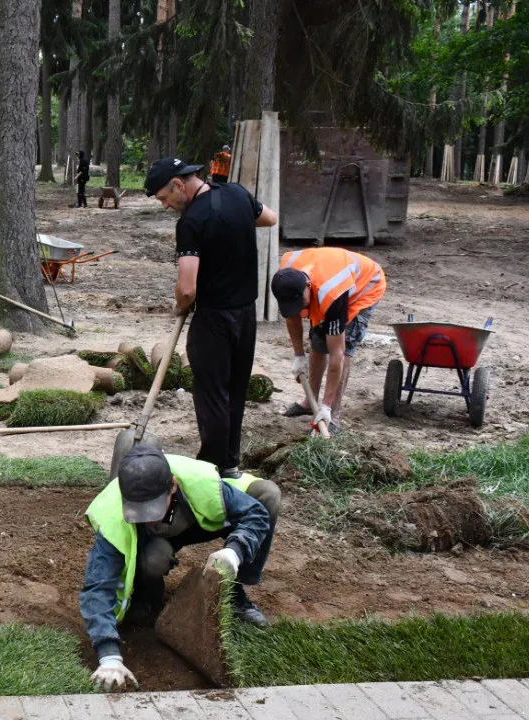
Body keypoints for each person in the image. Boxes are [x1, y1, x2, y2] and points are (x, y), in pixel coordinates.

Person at [81, 447, 279, 691]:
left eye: (152, 509)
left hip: (195, 518)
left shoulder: (201, 484)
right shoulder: (114, 513)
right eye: (138, 512)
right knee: (154, 559)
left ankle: (235, 594)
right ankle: (147, 595)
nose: (147, 518)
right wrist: (108, 655)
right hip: (153, 543)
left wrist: (235, 552)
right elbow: (97, 587)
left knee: (268, 494)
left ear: (172, 486)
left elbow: (255, 513)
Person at [146, 157, 278, 478]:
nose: (165, 206)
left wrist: (180, 305)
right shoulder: (236, 194)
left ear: (179, 184)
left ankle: (210, 467)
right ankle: (230, 464)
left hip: (214, 319)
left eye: (164, 198)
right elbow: (270, 218)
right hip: (246, 315)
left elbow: (188, 289)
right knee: (235, 391)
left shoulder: (191, 222)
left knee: (212, 396)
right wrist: (235, 226)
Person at [271, 248, 387, 435]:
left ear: (308, 285)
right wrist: (298, 355)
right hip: (327, 278)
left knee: (344, 345)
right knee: (317, 338)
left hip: (364, 288)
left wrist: (325, 406)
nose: (299, 308)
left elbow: (337, 356)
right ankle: (311, 401)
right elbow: (292, 317)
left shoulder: (331, 295)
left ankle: (332, 413)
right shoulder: (287, 276)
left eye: (300, 303)